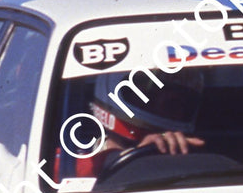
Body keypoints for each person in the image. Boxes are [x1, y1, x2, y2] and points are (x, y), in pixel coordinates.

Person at [63, 67, 207, 179]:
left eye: (174, 104)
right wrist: (133, 162)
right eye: (148, 96)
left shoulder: (199, 162)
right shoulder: (67, 163)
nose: (161, 109)